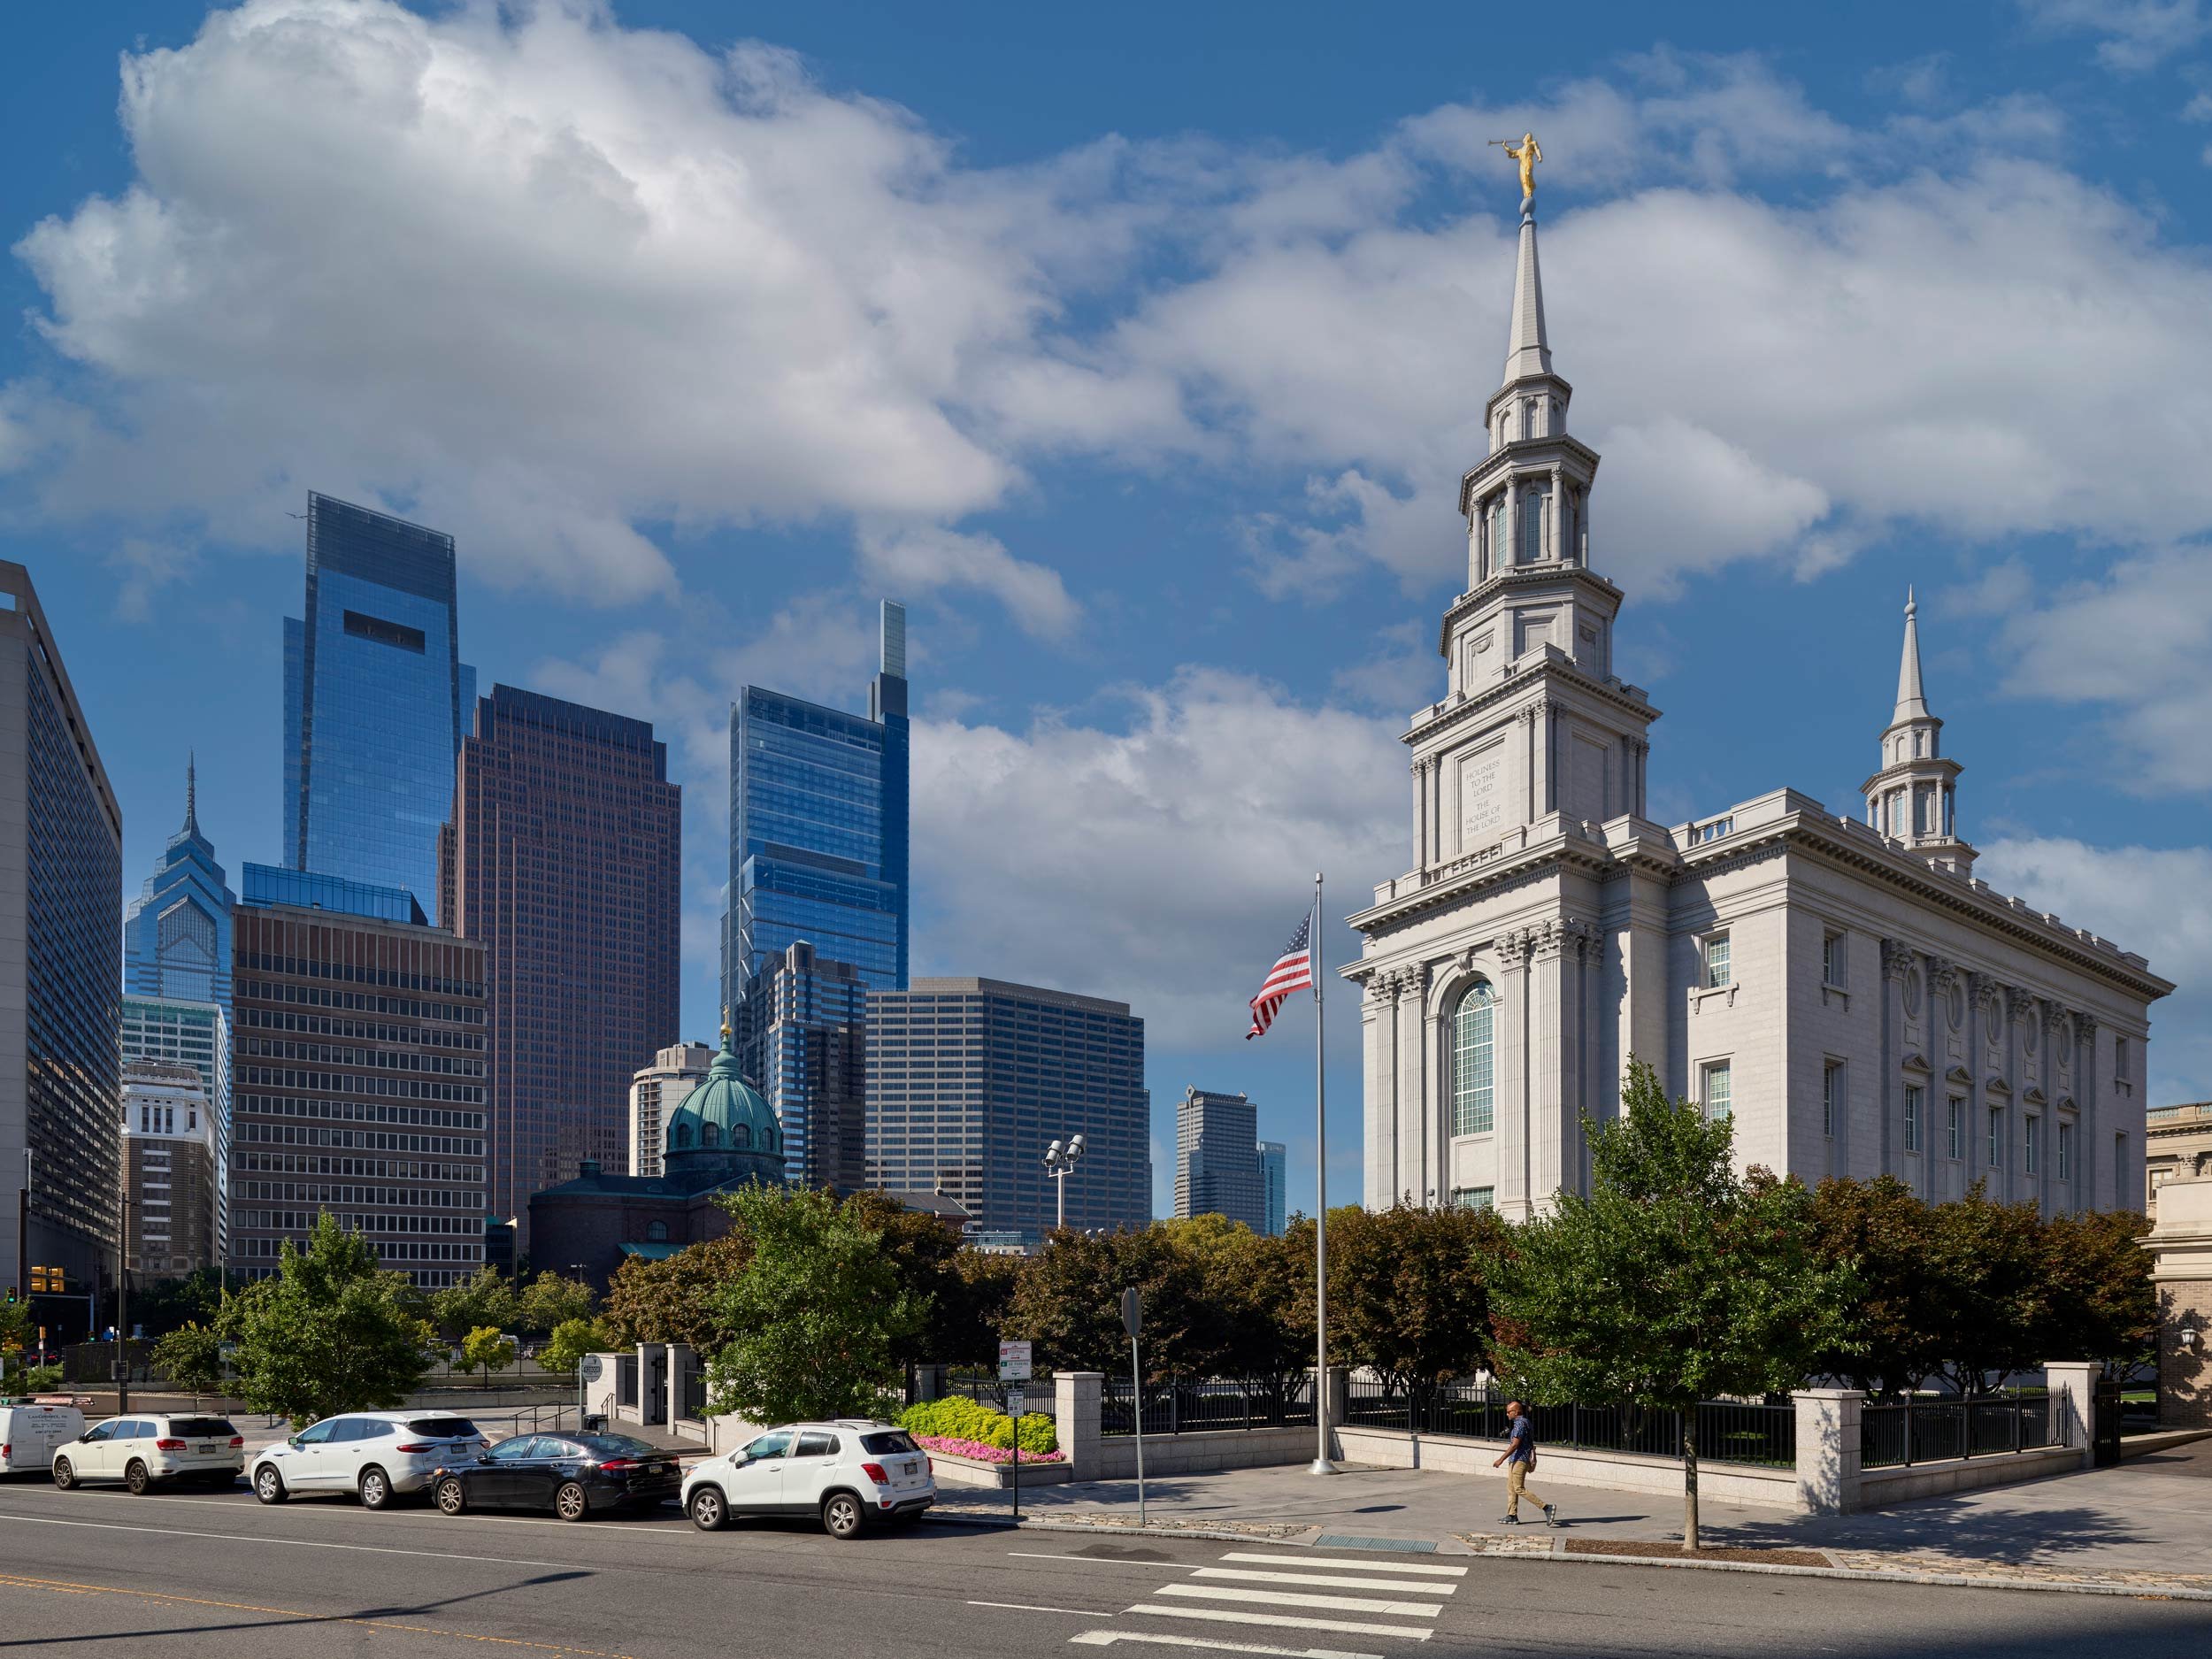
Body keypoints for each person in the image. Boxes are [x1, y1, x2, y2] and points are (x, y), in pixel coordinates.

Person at [1491, 1399, 1557, 1527]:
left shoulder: (1520, 1424)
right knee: (1511, 1488)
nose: (1507, 1414)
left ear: (1516, 1412)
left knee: (1518, 1488)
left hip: (1520, 1459)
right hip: (1516, 1459)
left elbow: (1515, 1444)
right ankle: (1512, 1515)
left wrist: (1501, 1459)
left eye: (1509, 1412)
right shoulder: (1525, 1422)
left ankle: (1546, 1507)